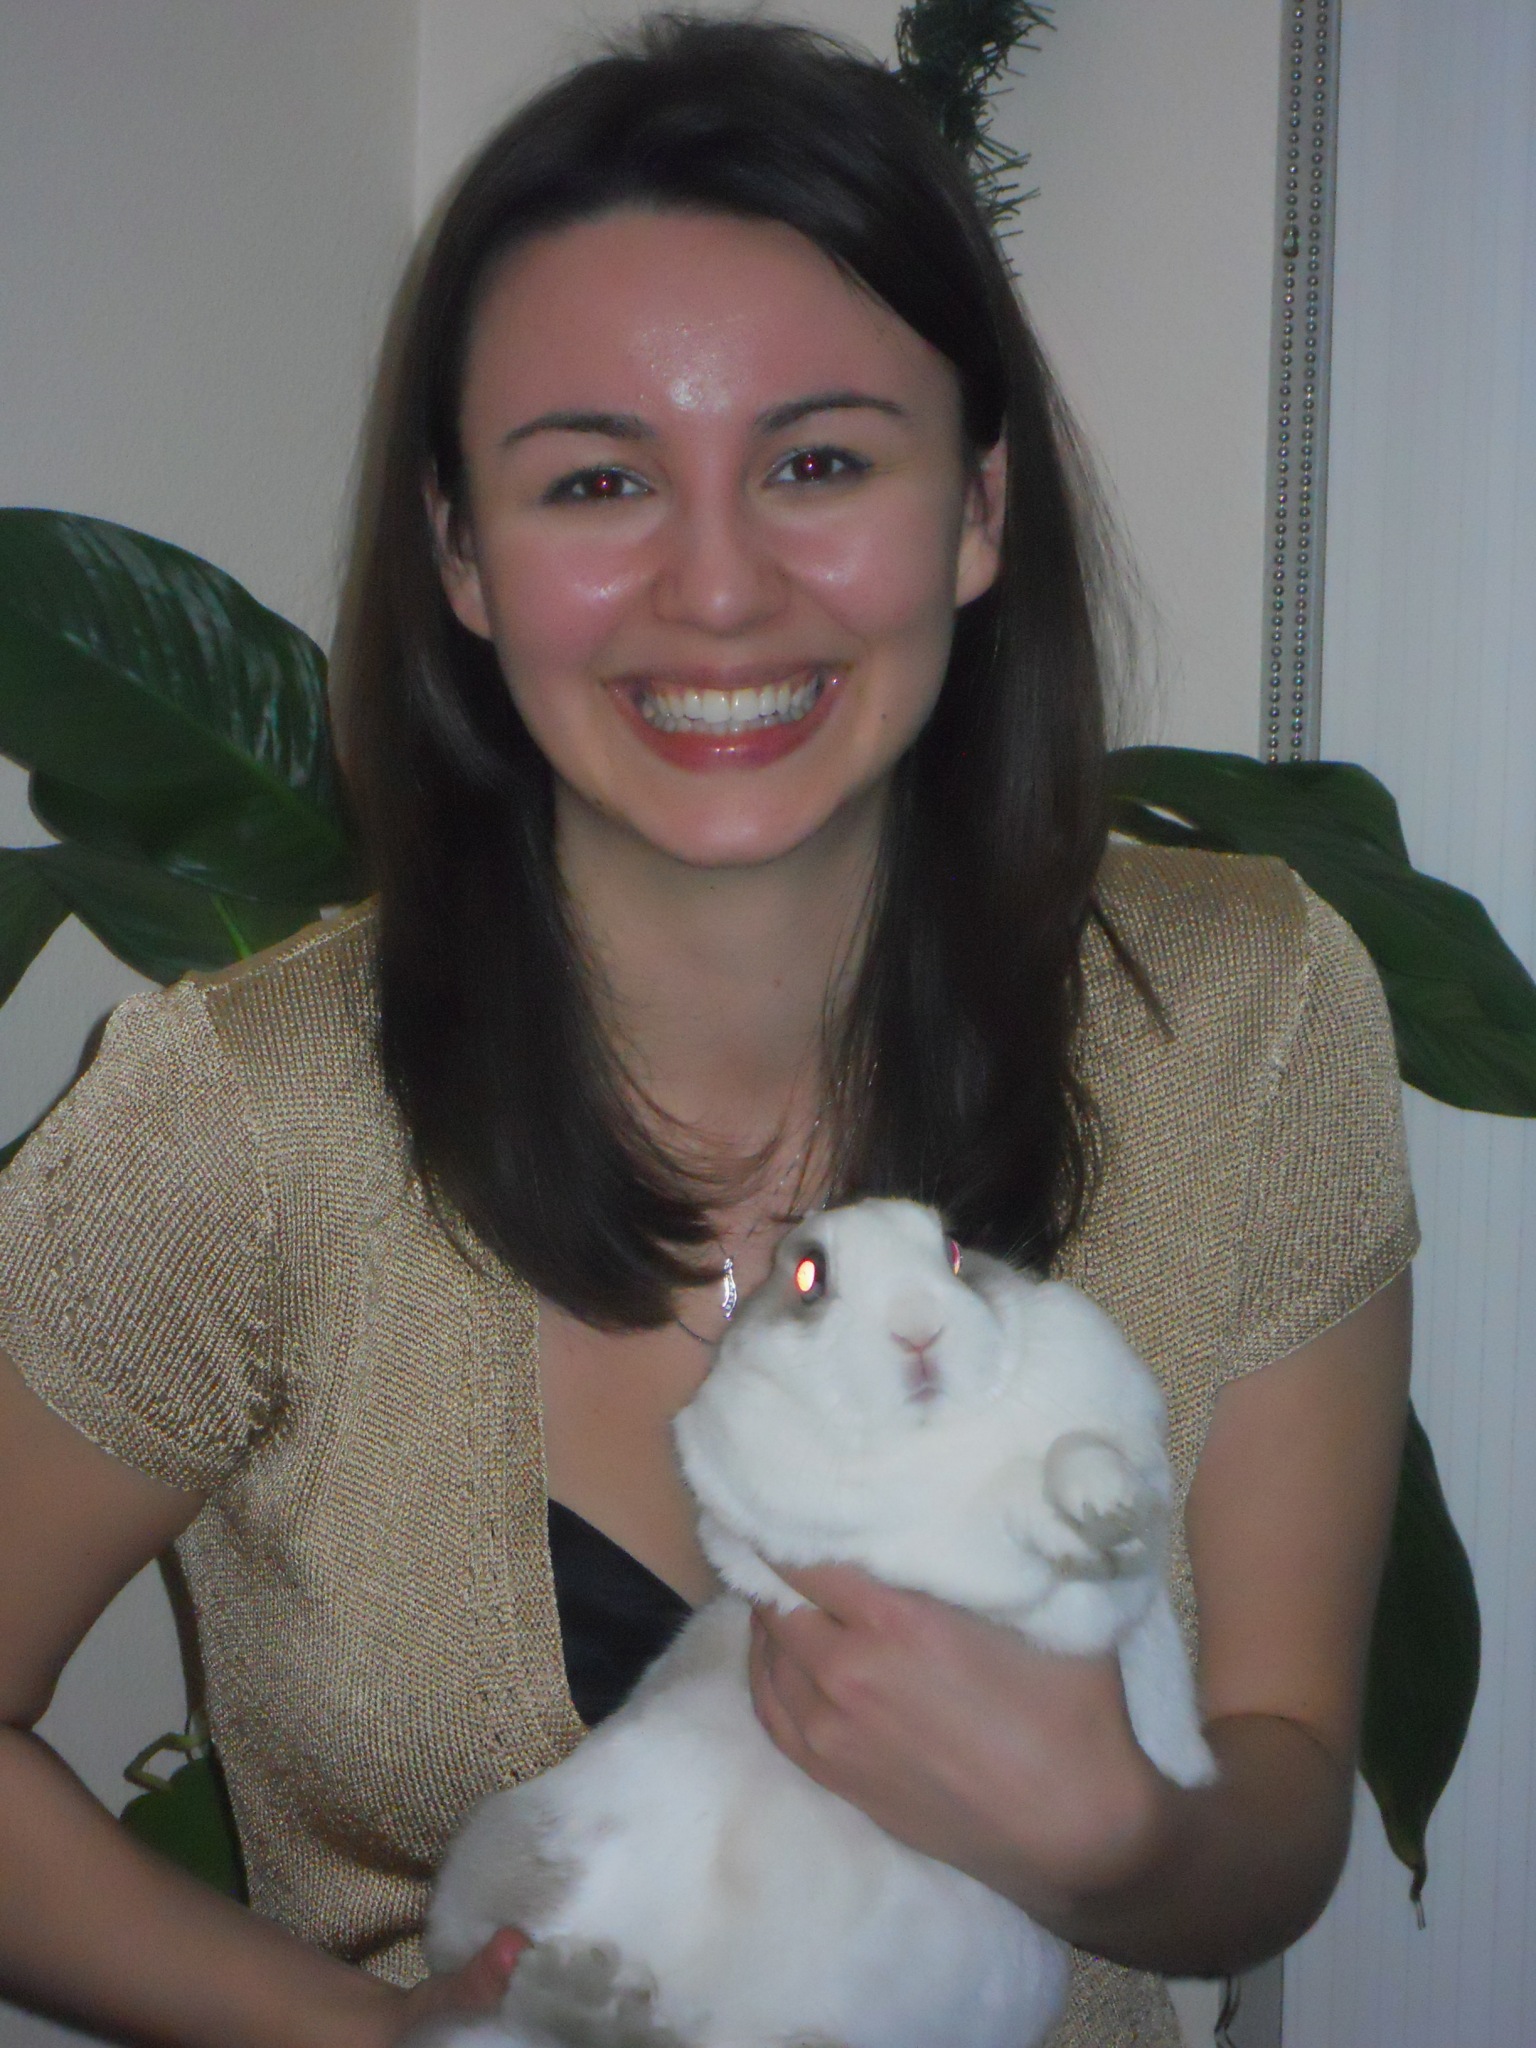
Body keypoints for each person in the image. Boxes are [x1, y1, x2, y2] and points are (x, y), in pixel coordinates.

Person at [0, 15, 1416, 2048]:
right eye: (596, 480)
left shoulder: (1246, 1019)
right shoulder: (238, 1121)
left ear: (980, 507)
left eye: (819, 462)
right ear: (464, 555)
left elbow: (1278, 1800)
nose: (722, 588)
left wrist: (1115, 1839)